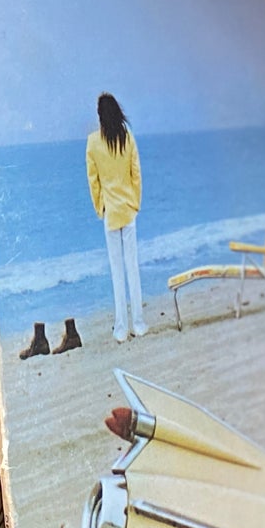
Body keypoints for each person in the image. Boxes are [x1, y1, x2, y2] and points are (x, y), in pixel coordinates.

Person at [86, 94, 147, 342]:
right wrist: (135, 202)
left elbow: (94, 181)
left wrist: (99, 206)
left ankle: (121, 328)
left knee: (117, 270)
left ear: (100, 115)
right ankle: (139, 323)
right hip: (128, 210)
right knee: (132, 267)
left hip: (110, 212)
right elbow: (136, 174)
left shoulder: (93, 142)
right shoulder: (127, 138)